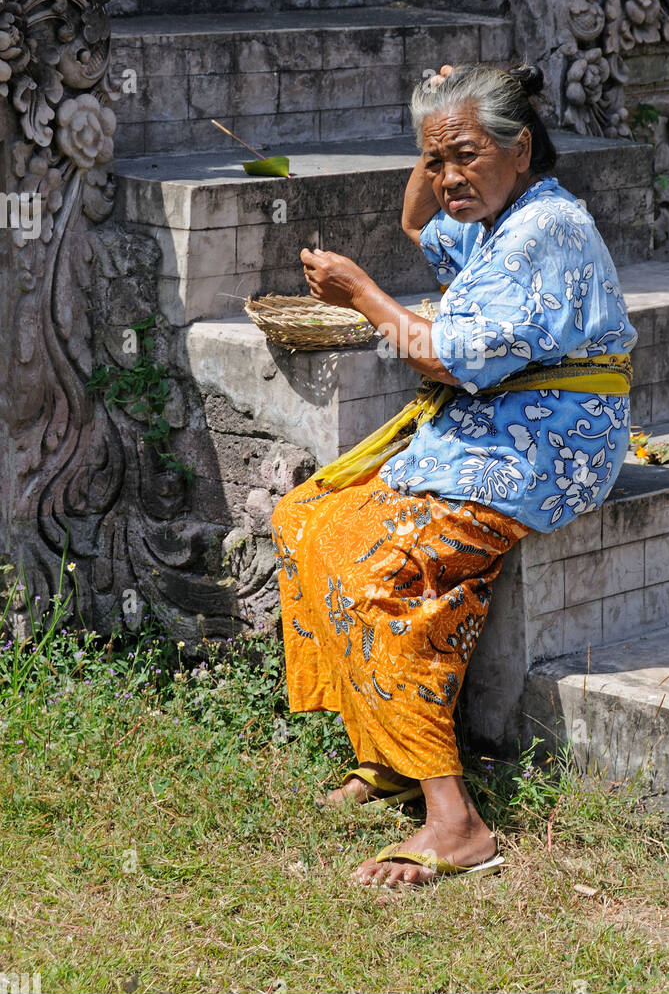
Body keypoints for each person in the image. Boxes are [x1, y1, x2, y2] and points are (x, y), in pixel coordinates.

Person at [270, 62, 637, 887]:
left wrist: (361, 294)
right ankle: (392, 752)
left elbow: (440, 354)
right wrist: (434, 128)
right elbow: (412, 223)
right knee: (308, 520)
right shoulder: (495, 215)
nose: (445, 181)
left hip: (543, 447)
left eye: (464, 156)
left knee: (380, 574)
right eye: (436, 161)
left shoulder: (544, 229)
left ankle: (456, 822)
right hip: (488, 430)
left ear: (521, 147)